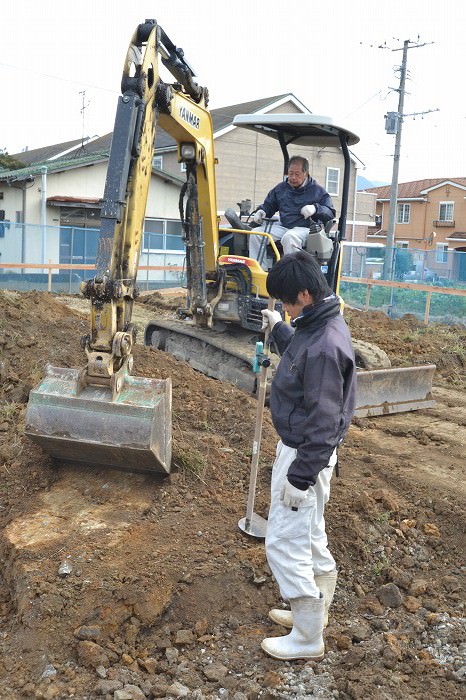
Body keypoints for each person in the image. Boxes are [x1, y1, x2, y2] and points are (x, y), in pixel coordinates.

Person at [259, 250, 356, 661]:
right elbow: (300, 358)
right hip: (308, 455)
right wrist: (280, 328)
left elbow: (324, 421)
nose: (282, 306)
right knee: (311, 536)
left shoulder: (325, 346)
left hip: (305, 457)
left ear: (304, 293)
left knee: (282, 541)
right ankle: (316, 611)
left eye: (284, 301)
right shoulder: (316, 325)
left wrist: (299, 478)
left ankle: (307, 636)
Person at [249, 156, 336, 265]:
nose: (293, 177)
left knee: (289, 237)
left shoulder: (318, 191)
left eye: (297, 174)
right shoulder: (281, 189)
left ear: (305, 173)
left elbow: (330, 212)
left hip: (306, 229)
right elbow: (269, 205)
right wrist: (262, 211)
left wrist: (315, 208)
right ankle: (261, 270)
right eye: (290, 173)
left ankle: (292, 273)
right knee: (256, 234)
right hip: (285, 226)